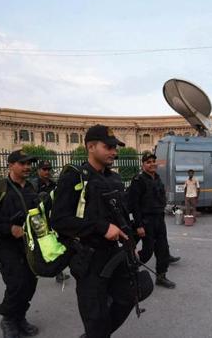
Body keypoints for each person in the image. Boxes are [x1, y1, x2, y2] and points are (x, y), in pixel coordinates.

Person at [50, 124, 147, 338]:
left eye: (115, 147)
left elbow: (121, 217)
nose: (114, 152)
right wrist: (101, 227)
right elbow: (59, 220)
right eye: (109, 146)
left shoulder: (113, 178)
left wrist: (131, 245)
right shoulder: (75, 177)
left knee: (137, 289)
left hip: (117, 254)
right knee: (95, 315)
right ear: (91, 146)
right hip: (89, 258)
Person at [0, 150, 41, 338]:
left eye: (29, 163)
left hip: (29, 243)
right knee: (17, 282)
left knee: (30, 282)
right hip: (4, 244)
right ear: (10, 165)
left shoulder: (32, 188)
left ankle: (20, 317)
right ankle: (8, 319)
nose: (27, 167)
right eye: (22, 163)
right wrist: (9, 228)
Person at [128, 151, 180, 289]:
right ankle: (128, 271)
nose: (152, 164)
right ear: (143, 164)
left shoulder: (157, 178)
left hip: (159, 219)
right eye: (148, 162)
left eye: (153, 162)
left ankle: (161, 276)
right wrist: (139, 225)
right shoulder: (138, 180)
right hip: (146, 221)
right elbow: (135, 205)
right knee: (147, 252)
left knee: (162, 250)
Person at [31, 160, 70, 283]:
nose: (47, 172)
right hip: (37, 221)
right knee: (36, 245)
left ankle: (58, 271)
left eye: (49, 169)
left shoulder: (53, 184)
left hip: (50, 219)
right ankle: (33, 268)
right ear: (38, 170)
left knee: (53, 244)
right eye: (44, 169)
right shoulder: (33, 185)